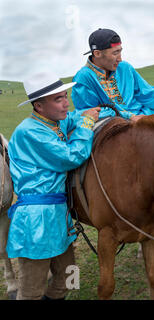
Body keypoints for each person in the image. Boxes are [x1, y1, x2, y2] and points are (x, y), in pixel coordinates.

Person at [7, 71, 100, 300]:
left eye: (65, 96)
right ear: (39, 106)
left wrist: (103, 113)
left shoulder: (54, 121)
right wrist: (87, 125)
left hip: (58, 214)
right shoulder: (30, 132)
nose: (66, 102)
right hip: (36, 220)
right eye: (58, 99)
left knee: (71, 276)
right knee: (31, 291)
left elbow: (78, 116)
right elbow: (70, 157)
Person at [71, 28, 154, 120]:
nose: (120, 59)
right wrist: (130, 117)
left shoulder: (125, 68)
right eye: (115, 53)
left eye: (120, 51)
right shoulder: (83, 77)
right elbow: (90, 112)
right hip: (114, 126)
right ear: (97, 53)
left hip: (144, 116)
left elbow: (149, 94)